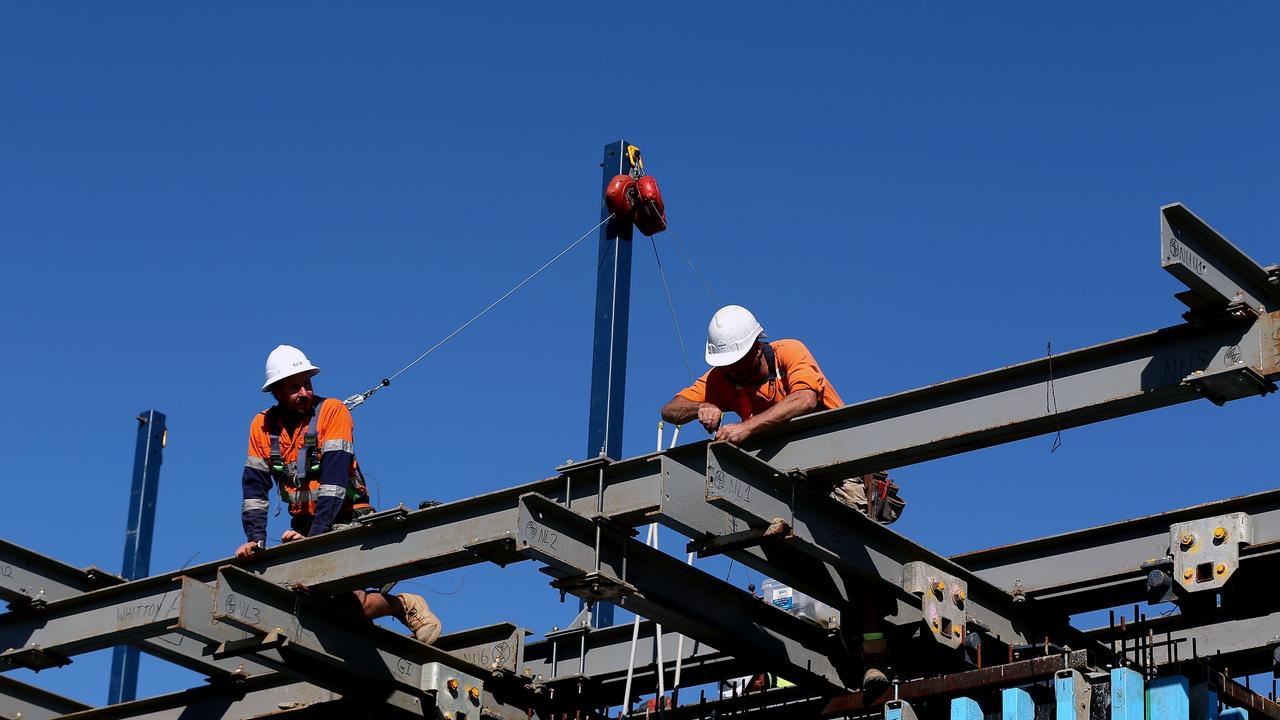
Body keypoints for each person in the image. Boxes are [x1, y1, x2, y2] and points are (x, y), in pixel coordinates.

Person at [659, 305, 898, 692]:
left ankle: (875, 656)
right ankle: (843, 637)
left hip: (837, 468)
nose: (733, 371)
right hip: (787, 483)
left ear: (757, 346)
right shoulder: (723, 377)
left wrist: (745, 429)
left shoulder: (789, 353)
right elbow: (669, 409)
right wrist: (700, 406)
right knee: (781, 550)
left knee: (856, 562)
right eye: (728, 365)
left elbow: (804, 399)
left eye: (739, 361)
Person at [235, 344, 441, 644]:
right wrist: (255, 541)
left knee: (340, 598)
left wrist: (316, 541)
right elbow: (254, 488)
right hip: (305, 527)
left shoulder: (332, 412)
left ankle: (405, 606)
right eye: (295, 387)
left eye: (307, 383)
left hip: (348, 518)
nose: (304, 392)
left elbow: (333, 483)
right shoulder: (262, 427)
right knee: (328, 609)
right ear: (276, 392)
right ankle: (396, 612)